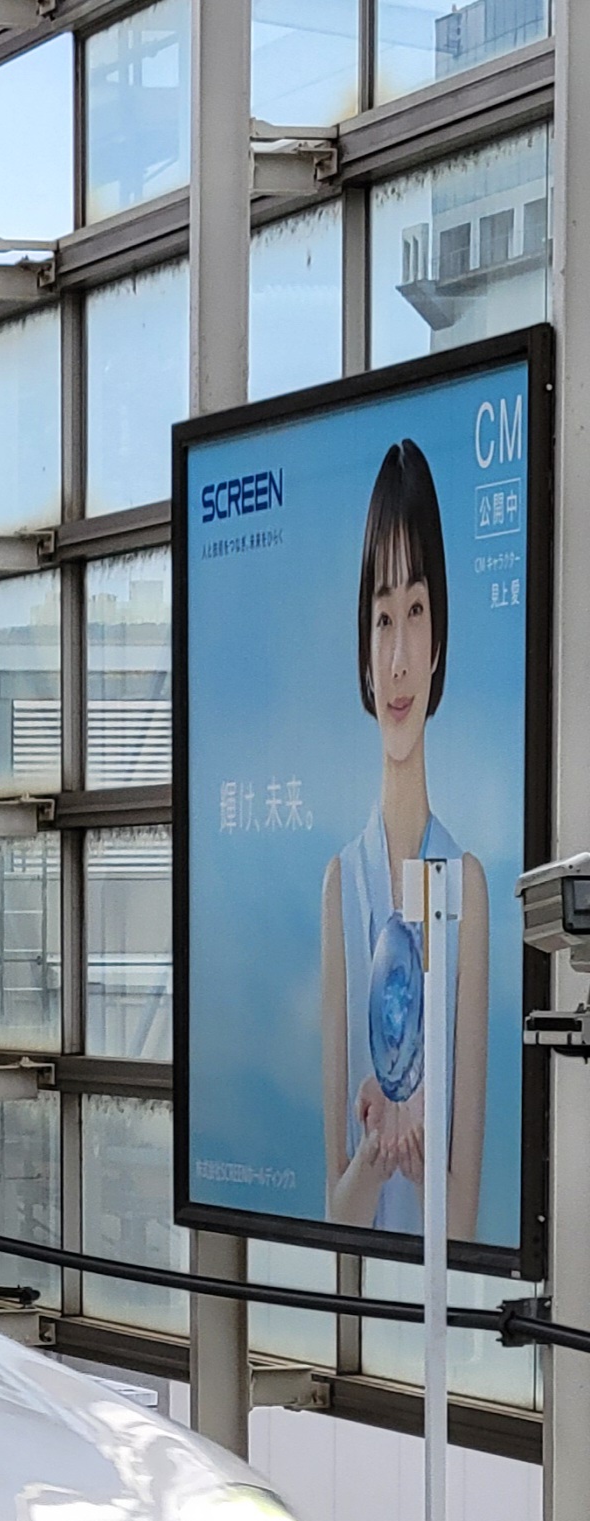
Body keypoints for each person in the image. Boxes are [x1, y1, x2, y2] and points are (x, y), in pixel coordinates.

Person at [321, 436, 487, 1238]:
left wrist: (423, 1168)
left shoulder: (467, 884)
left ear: (439, 634)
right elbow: (336, 1210)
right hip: (357, 1296)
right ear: (363, 647)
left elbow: (464, 1222)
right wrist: (373, 1157)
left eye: (415, 612)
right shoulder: (339, 885)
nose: (397, 659)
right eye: (382, 617)